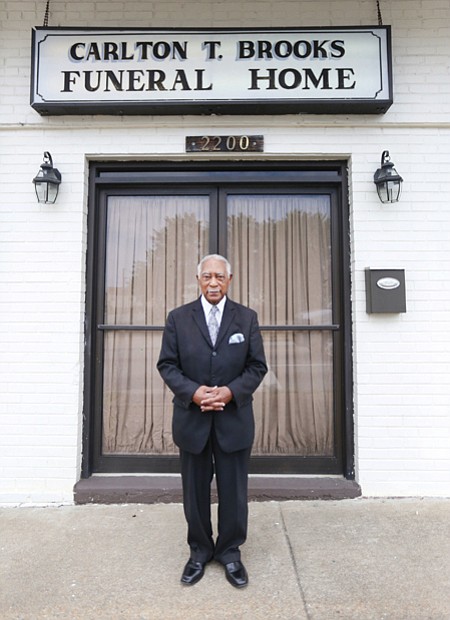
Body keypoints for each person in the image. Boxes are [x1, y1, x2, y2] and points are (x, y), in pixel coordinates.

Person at [157, 254, 267, 588]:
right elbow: (167, 365)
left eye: (220, 276)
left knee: (234, 492)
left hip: (234, 421)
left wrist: (231, 392)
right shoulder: (178, 318)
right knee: (194, 493)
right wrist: (193, 392)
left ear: (230, 280)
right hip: (193, 421)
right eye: (207, 277)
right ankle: (200, 551)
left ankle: (231, 552)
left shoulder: (246, 318)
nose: (214, 283)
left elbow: (257, 367)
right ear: (198, 280)